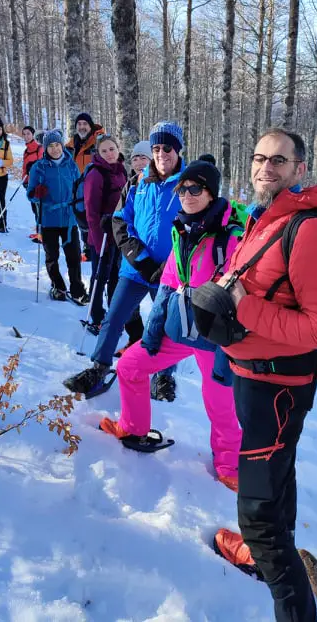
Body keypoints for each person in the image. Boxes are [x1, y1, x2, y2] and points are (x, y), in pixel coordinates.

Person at [212, 128, 317, 622]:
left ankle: (282, 586)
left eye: (278, 160)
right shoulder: (262, 222)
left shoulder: (310, 232)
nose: (265, 167)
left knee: (259, 516)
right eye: (258, 157)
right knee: (278, 483)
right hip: (254, 381)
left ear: (299, 169)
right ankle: (266, 561)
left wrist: (243, 309)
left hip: (279, 392)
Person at [99, 159, 246, 490]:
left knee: (219, 403)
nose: (187, 194)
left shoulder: (229, 236)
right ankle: (132, 427)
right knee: (131, 365)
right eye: (183, 188)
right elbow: (168, 280)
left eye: (196, 188)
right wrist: (153, 329)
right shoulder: (181, 228)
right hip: (182, 326)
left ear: (211, 193)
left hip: (215, 336)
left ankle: (228, 466)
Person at [64, 121, 185, 401]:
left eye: (167, 148)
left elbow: (196, 228)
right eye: (156, 148)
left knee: (168, 324)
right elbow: (121, 221)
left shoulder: (189, 184)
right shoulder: (138, 182)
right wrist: (140, 259)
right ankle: (99, 367)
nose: (161, 153)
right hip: (136, 267)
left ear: (178, 149)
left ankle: (165, 376)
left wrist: (169, 266)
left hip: (170, 272)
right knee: (114, 317)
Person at [27, 129, 89, 304]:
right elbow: (30, 194)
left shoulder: (71, 165)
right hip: (49, 219)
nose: (55, 149)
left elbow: (79, 189)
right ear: (45, 149)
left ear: (62, 145)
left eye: (57, 145)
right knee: (51, 256)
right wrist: (36, 193)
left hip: (69, 219)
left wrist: (81, 209)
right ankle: (58, 287)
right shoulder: (39, 167)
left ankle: (77, 288)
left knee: (74, 256)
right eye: (51, 146)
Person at [83, 134, 127, 332]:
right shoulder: (95, 175)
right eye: (104, 151)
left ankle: (112, 313)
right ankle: (96, 315)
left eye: (112, 149)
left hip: (119, 235)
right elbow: (91, 213)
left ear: (118, 149)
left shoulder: (121, 171)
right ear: (98, 153)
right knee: (99, 277)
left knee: (116, 277)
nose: (110, 154)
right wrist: (101, 240)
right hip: (100, 238)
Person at [115, 140, 153, 356]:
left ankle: (157, 359)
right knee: (127, 307)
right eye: (135, 158)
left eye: (143, 158)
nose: (139, 162)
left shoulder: (160, 185)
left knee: (160, 310)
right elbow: (122, 216)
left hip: (156, 261)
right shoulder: (130, 184)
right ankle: (135, 338)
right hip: (131, 254)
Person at [66, 112, 105, 260]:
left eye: (85, 124)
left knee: (95, 217)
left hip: (95, 184)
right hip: (77, 186)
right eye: (79, 124)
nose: (82, 127)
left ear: (91, 126)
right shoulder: (71, 144)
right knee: (81, 215)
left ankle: (98, 246)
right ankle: (88, 247)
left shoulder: (98, 142)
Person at [22, 125, 44, 241]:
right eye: (24, 134)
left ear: (33, 135)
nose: (26, 136)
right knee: (35, 209)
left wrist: (34, 166)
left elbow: (42, 163)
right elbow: (24, 168)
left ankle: (42, 234)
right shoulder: (26, 150)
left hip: (38, 183)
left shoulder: (39, 148)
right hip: (29, 183)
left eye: (28, 134)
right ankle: (39, 232)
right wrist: (24, 181)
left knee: (39, 209)